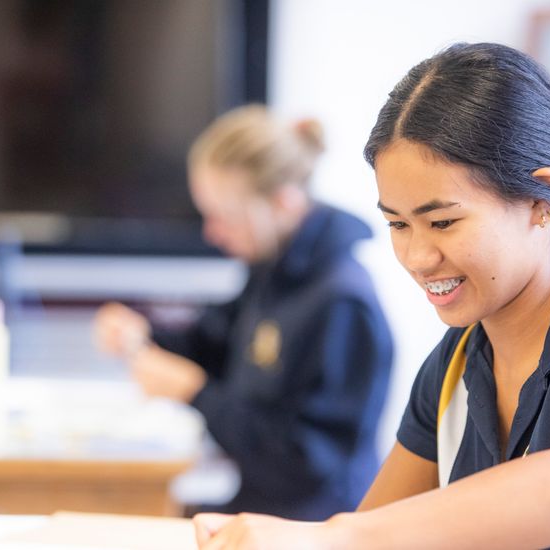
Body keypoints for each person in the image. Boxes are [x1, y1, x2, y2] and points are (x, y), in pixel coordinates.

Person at [192, 43, 550, 549]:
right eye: (399, 225)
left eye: (443, 222)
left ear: (542, 200)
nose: (416, 257)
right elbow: (374, 532)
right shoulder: (455, 363)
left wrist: (332, 537)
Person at [93, 105, 394, 521]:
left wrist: (195, 393)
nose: (211, 233)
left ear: (284, 204)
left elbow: (308, 465)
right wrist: (143, 333)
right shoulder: (272, 270)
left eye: (226, 217)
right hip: (259, 508)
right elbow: (214, 340)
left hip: (313, 526)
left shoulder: (342, 304)